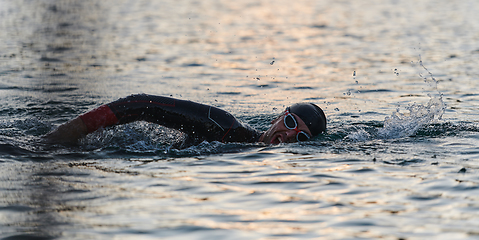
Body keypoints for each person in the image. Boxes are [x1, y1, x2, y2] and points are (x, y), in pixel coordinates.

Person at [43, 94, 327, 148]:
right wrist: (63, 135)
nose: (290, 136)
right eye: (291, 125)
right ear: (279, 117)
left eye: (301, 137)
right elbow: (140, 105)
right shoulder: (222, 127)